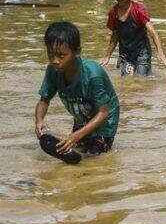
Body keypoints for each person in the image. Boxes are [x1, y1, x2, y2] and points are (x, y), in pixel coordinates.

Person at [35, 22, 120, 155]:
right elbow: (44, 100)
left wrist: (76, 135)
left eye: (61, 56)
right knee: (75, 152)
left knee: (96, 157)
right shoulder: (53, 70)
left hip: (105, 121)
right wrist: (39, 120)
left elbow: (104, 113)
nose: (55, 60)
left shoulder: (92, 73)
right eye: (51, 55)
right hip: (82, 117)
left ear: (77, 51)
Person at [100, 0, 166, 76]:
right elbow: (115, 35)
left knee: (141, 78)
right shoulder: (113, 13)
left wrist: (161, 54)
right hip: (125, 53)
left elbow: (153, 32)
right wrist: (107, 56)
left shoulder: (138, 10)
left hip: (142, 51)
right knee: (126, 79)